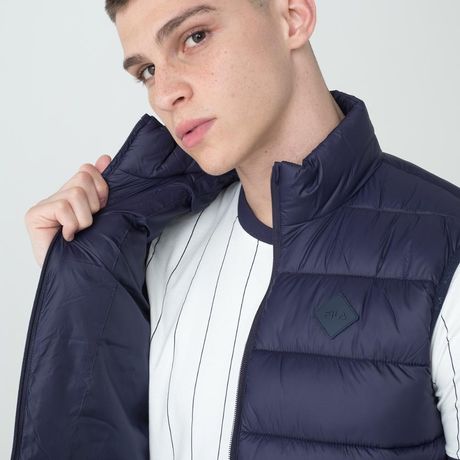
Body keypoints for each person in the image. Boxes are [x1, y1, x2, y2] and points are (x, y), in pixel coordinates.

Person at [12, 1, 460, 459]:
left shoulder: (446, 252)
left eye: (194, 37)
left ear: (293, 16)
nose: (164, 94)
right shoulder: (148, 254)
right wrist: (77, 282)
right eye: (147, 70)